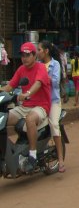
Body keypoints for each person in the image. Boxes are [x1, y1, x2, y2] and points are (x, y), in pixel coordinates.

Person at [0, 42, 51, 174]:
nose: (24, 58)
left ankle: (32, 155)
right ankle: (6, 155)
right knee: (4, 118)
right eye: (22, 55)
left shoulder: (40, 68)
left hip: (40, 106)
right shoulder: (21, 69)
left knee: (30, 120)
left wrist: (27, 94)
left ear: (34, 55)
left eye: (27, 55)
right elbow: (10, 86)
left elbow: (38, 83)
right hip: (24, 106)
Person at [37, 41, 65, 173]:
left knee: (54, 124)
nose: (37, 52)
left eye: (39, 50)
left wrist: (43, 76)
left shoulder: (55, 64)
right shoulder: (37, 65)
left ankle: (60, 160)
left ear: (46, 51)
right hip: (39, 101)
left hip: (53, 101)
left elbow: (55, 82)